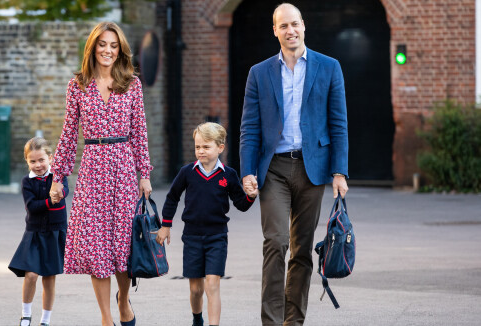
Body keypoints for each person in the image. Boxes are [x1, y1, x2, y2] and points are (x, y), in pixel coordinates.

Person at [239, 3, 349, 325]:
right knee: (276, 242)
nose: (291, 31)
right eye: (283, 26)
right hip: (273, 168)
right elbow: (250, 128)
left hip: (312, 169)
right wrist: (247, 171)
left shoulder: (329, 67)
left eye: (295, 24)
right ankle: (271, 322)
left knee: (301, 252)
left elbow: (338, 123)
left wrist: (339, 172)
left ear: (304, 26)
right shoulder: (259, 73)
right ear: (275, 30)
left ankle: (293, 321)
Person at [48, 22, 153, 326]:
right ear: (93, 47)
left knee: (122, 244)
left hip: (122, 169)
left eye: (114, 45)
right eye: (102, 44)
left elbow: (140, 133)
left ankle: (123, 300)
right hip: (92, 169)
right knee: (96, 247)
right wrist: (58, 177)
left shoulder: (132, 84)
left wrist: (143, 173)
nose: (108, 50)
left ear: (120, 50)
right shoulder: (78, 84)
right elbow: (68, 135)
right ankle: (106, 319)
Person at [156, 122, 259, 326]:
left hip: (217, 237)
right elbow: (172, 197)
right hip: (192, 237)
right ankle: (197, 319)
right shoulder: (187, 172)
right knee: (196, 289)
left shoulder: (228, 175)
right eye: (197, 147)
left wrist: (251, 196)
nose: (200, 151)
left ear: (220, 148)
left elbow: (241, 204)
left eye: (206, 146)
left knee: (213, 285)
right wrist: (166, 225)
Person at [9, 137, 69, 326]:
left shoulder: (58, 177)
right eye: (32, 161)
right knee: (31, 275)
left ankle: (45, 319)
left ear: (50, 158)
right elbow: (31, 206)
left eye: (41, 160)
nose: (38, 165)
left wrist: (58, 192)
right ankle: (26, 314)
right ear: (27, 161)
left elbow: (64, 192)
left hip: (55, 232)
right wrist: (49, 201)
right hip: (34, 233)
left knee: (49, 277)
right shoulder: (27, 182)